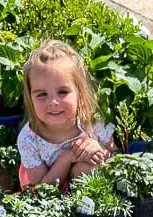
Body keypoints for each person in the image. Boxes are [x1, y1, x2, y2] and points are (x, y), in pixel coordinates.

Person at [18, 39, 114, 189]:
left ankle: (87, 211)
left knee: (85, 167)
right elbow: (40, 192)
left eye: (62, 92)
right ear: (30, 98)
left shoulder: (92, 124)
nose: (53, 102)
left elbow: (117, 159)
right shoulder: (29, 140)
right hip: (51, 201)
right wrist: (67, 158)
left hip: (90, 196)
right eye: (42, 94)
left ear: (80, 94)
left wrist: (99, 150)